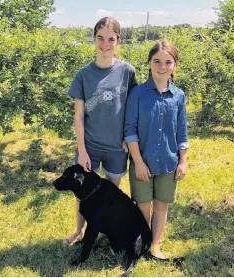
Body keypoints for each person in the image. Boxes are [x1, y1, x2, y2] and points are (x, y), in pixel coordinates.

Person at [65, 17, 137, 245]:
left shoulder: (127, 72)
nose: (105, 44)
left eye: (111, 39)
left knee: (110, 195)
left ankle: (106, 233)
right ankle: (78, 231)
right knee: (83, 194)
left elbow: (132, 108)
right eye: (100, 38)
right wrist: (82, 151)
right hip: (91, 146)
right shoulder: (83, 75)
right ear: (94, 39)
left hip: (117, 148)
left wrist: (128, 137)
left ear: (118, 41)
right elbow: (78, 116)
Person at [124, 40, 188, 259]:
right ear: (150, 63)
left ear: (175, 65)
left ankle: (156, 245)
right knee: (143, 204)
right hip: (142, 162)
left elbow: (182, 131)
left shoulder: (178, 96)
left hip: (169, 162)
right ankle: (143, 242)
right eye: (157, 61)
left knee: (161, 205)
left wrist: (183, 160)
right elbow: (130, 129)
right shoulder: (138, 93)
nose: (162, 66)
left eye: (168, 62)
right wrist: (138, 162)